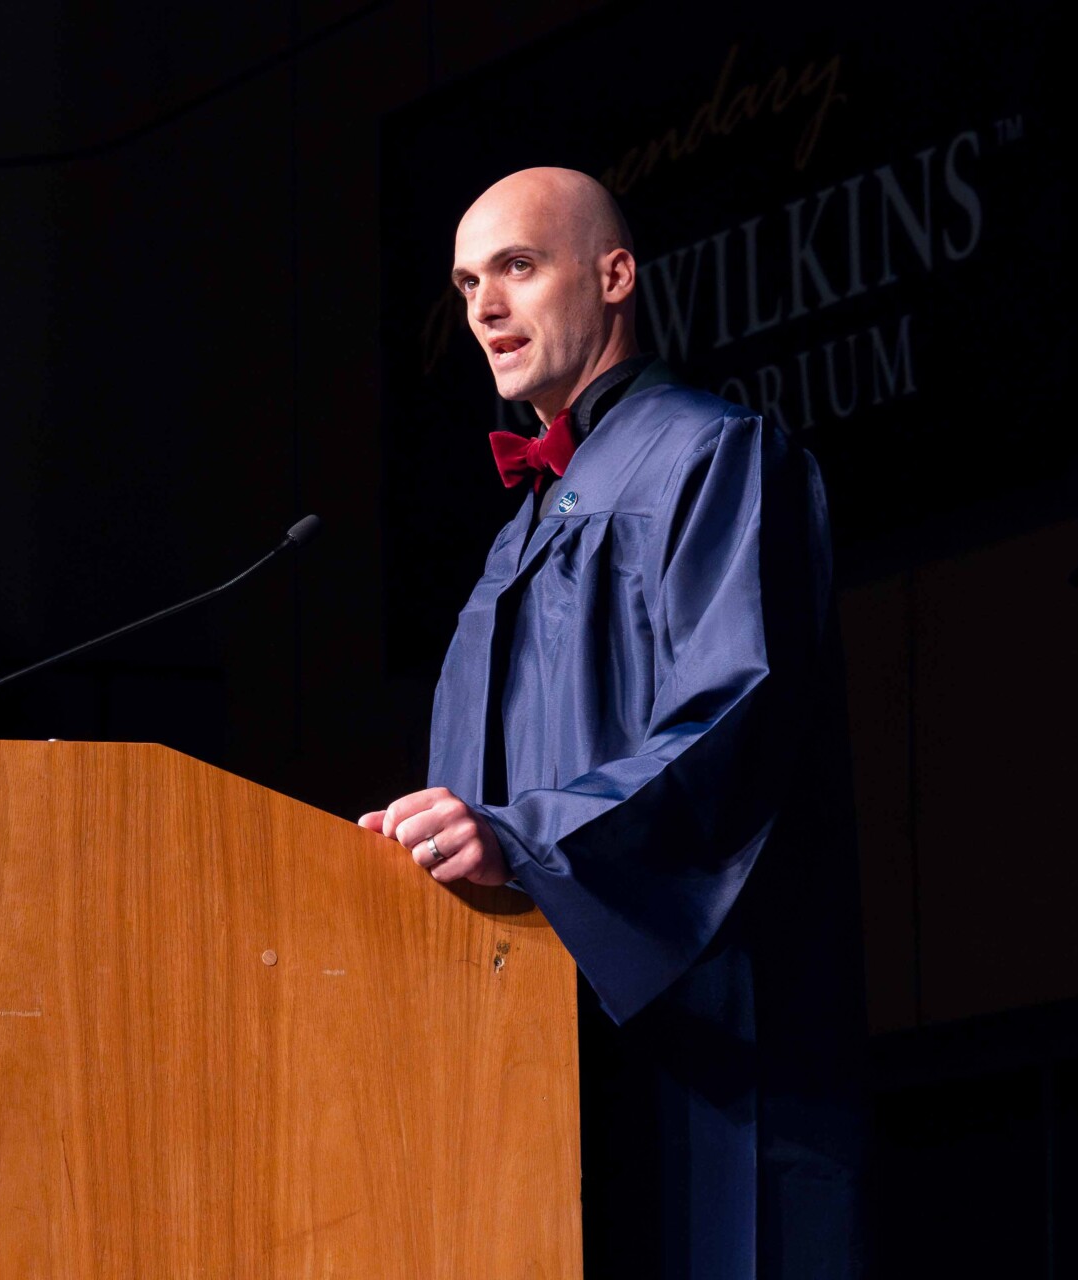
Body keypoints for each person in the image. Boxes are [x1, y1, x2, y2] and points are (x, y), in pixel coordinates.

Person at [359, 168, 865, 1278]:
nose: (483, 308)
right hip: (538, 1049)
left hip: (701, 1039)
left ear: (615, 275)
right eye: (465, 282)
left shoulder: (713, 456)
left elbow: (735, 716)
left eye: (517, 268)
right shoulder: (517, 539)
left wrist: (522, 838)